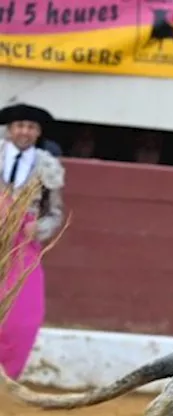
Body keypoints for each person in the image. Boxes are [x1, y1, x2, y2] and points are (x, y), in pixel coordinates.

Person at [1, 103, 65, 380]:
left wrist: (35, 230)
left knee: (22, 315)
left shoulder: (47, 165)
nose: (24, 132)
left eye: (30, 127)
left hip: (22, 246)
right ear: (9, 130)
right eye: (19, 126)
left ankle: (6, 375)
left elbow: (55, 213)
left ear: (38, 133)